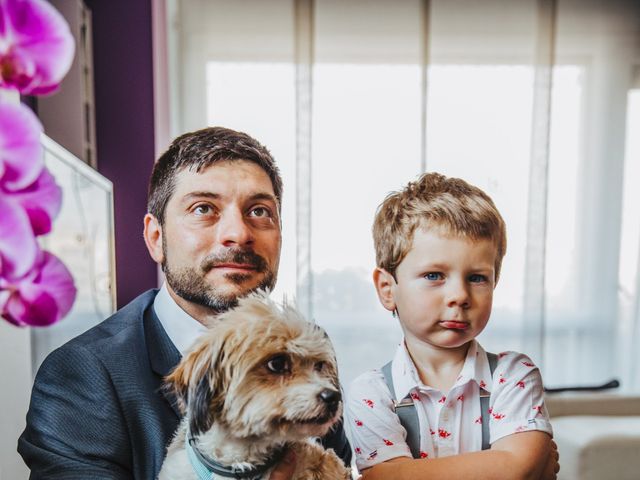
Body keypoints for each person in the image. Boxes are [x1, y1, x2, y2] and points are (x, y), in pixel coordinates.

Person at [18, 127, 351, 479]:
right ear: (156, 237)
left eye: (259, 211)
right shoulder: (82, 375)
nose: (238, 233)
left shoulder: (310, 349)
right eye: (203, 208)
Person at [345, 172, 559, 480]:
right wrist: (503, 465)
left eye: (477, 278)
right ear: (387, 289)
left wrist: (407, 472)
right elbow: (384, 478)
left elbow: (517, 469)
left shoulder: (513, 375)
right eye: (434, 275)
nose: (460, 295)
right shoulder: (372, 392)